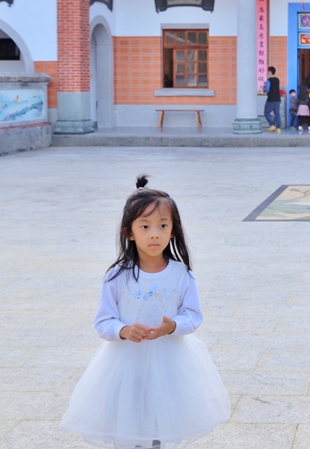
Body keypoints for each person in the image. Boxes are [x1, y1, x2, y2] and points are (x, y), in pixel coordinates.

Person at [61, 176, 230, 449]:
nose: (155, 233)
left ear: (173, 230)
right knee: (130, 423)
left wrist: (172, 326)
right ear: (129, 232)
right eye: (145, 226)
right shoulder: (117, 276)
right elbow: (103, 321)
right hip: (126, 365)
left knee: (162, 425)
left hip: (170, 364)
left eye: (163, 225)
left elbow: (193, 315)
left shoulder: (180, 273)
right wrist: (124, 330)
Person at [263, 67, 281, 132]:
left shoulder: (269, 80)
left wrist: (263, 89)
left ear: (270, 72)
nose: (267, 72)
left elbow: (267, 90)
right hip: (278, 99)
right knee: (277, 113)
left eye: (268, 71)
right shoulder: (277, 79)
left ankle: (272, 125)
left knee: (266, 113)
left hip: (271, 99)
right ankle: (278, 128)